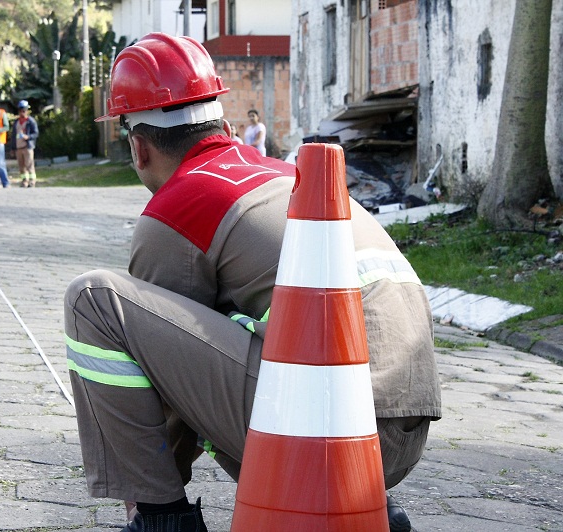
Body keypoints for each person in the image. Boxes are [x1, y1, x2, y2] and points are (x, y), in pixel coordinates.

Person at [64, 32, 441, 532]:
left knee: (94, 301)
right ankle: (356, 513)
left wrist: (149, 496)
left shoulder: (179, 207)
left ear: (138, 147)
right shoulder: (286, 175)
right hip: (401, 431)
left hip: (327, 429)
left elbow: (166, 384)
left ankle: (163, 523)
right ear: (221, 122)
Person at [13, 100, 39, 188]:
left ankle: (32, 182)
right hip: (18, 147)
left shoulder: (30, 121)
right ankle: (24, 181)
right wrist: (13, 148)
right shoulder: (16, 122)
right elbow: (13, 135)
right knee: (21, 166)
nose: (22, 112)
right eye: (20, 110)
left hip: (27, 147)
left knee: (29, 165)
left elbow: (36, 133)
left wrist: (28, 137)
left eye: (24, 110)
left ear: (27, 110)